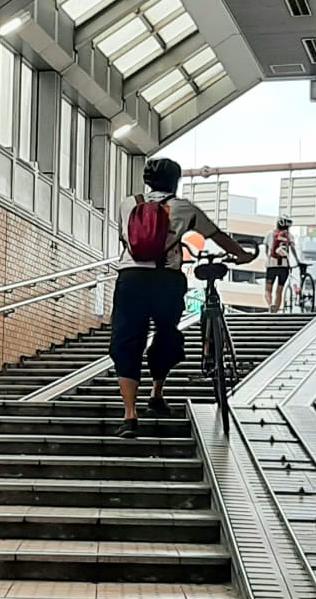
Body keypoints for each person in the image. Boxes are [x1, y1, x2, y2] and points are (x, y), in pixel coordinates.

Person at [110, 157, 253, 437]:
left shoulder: (128, 204)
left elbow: (125, 240)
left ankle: (129, 415)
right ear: (176, 181)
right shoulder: (184, 207)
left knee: (127, 340)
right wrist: (243, 255)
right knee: (166, 334)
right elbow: (217, 236)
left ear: (148, 180)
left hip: (130, 279)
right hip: (167, 279)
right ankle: (156, 393)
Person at [262, 217, 303, 312]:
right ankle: (275, 310)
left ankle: (270, 305)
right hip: (284, 267)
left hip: (271, 265)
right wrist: (297, 261)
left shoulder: (270, 234)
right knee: (279, 291)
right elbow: (292, 249)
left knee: (268, 290)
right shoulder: (289, 236)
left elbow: (266, 250)